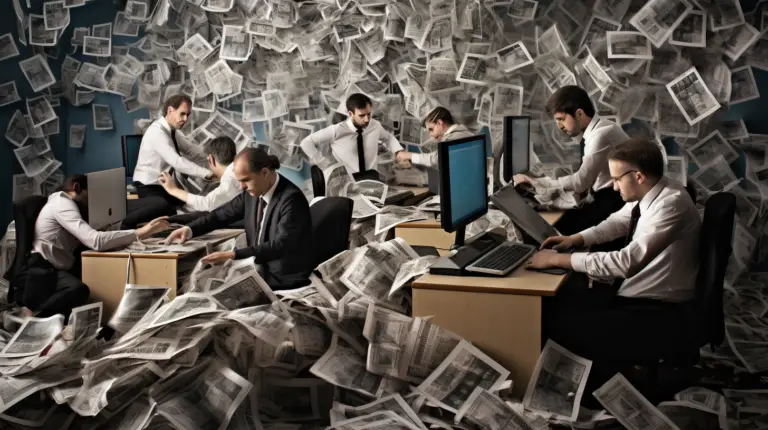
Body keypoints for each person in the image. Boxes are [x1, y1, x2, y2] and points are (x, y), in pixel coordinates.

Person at [527, 139, 701, 367]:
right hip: (636, 292)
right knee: (554, 305)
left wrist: (557, 259)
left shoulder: (671, 204)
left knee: (552, 324)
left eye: (617, 179)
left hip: (656, 308)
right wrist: (576, 239)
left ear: (638, 176)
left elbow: (625, 263)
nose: (614, 187)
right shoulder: (655, 190)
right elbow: (618, 222)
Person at [13, 175, 169, 319]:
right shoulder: (63, 205)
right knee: (79, 290)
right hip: (43, 268)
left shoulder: (67, 204)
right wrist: (140, 232)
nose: (91, 200)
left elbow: (94, 235)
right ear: (77, 188)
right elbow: (96, 241)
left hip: (60, 262)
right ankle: (33, 314)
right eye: (89, 194)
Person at [165, 148, 314, 290]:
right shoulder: (252, 193)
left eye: (245, 180)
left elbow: (280, 245)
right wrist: (190, 229)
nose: (242, 186)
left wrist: (235, 255)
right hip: (257, 268)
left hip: (282, 276)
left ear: (264, 173)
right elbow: (219, 215)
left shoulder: (292, 199)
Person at [514, 86, 629, 236]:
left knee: (553, 229)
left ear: (579, 113)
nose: (559, 126)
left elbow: (582, 181)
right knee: (554, 217)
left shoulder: (600, 136)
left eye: (561, 119)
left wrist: (537, 184)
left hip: (615, 201)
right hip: (606, 197)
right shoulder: (598, 129)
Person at [300, 93, 406, 179]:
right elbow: (306, 143)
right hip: (347, 181)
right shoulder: (337, 130)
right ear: (351, 114)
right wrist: (322, 163)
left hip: (371, 178)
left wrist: (398, 151)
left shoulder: (375, 125)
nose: (366, 119)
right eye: (361, 115)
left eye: (368, 114)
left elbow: (388, 138)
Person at [132, 94, 214, 204]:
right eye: (182, 114)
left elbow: (189, 149)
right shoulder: (157, 132)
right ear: (170, 111)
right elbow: (177, 162)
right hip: (148, 186)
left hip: (162, 184)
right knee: (172, 210)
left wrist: (215, 158)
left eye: (187, 115)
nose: (185, 119)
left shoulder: (170, 130)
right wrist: (208, 174)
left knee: (185, 204)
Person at [158, 136, 240, 213]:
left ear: (210, 159)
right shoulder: (236, 171)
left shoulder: (230, 179)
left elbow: (206, 203)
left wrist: (173, 189)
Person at [397, 107, 475, 168]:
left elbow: (437, 159)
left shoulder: (456, 137)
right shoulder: (461, 133)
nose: (431, 135)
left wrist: (409, 155)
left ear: (439, 122)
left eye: (431, 129)